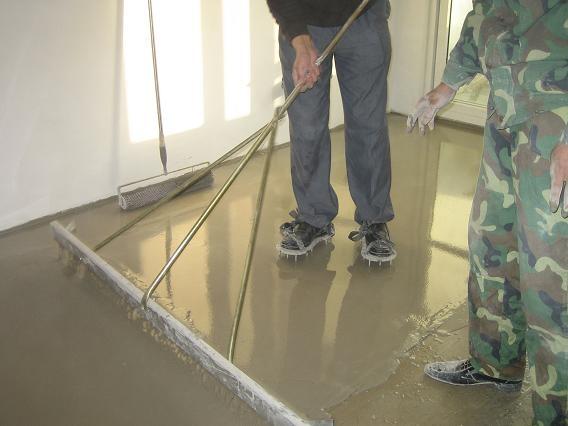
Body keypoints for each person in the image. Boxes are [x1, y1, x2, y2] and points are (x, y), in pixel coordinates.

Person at [407, 1, 568, 424]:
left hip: (558, 117)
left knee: (552, 280)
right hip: (506, 108)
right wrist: (447, 86)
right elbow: (485, 15)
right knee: (491, 242)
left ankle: (556, 414)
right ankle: (496, 363)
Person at [266, 0, 396, 264]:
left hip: (364, 16)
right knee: (306, 126)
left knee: (368, 125)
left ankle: (374, 218)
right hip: (304, 20)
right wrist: (299, 39)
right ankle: (313, 216)